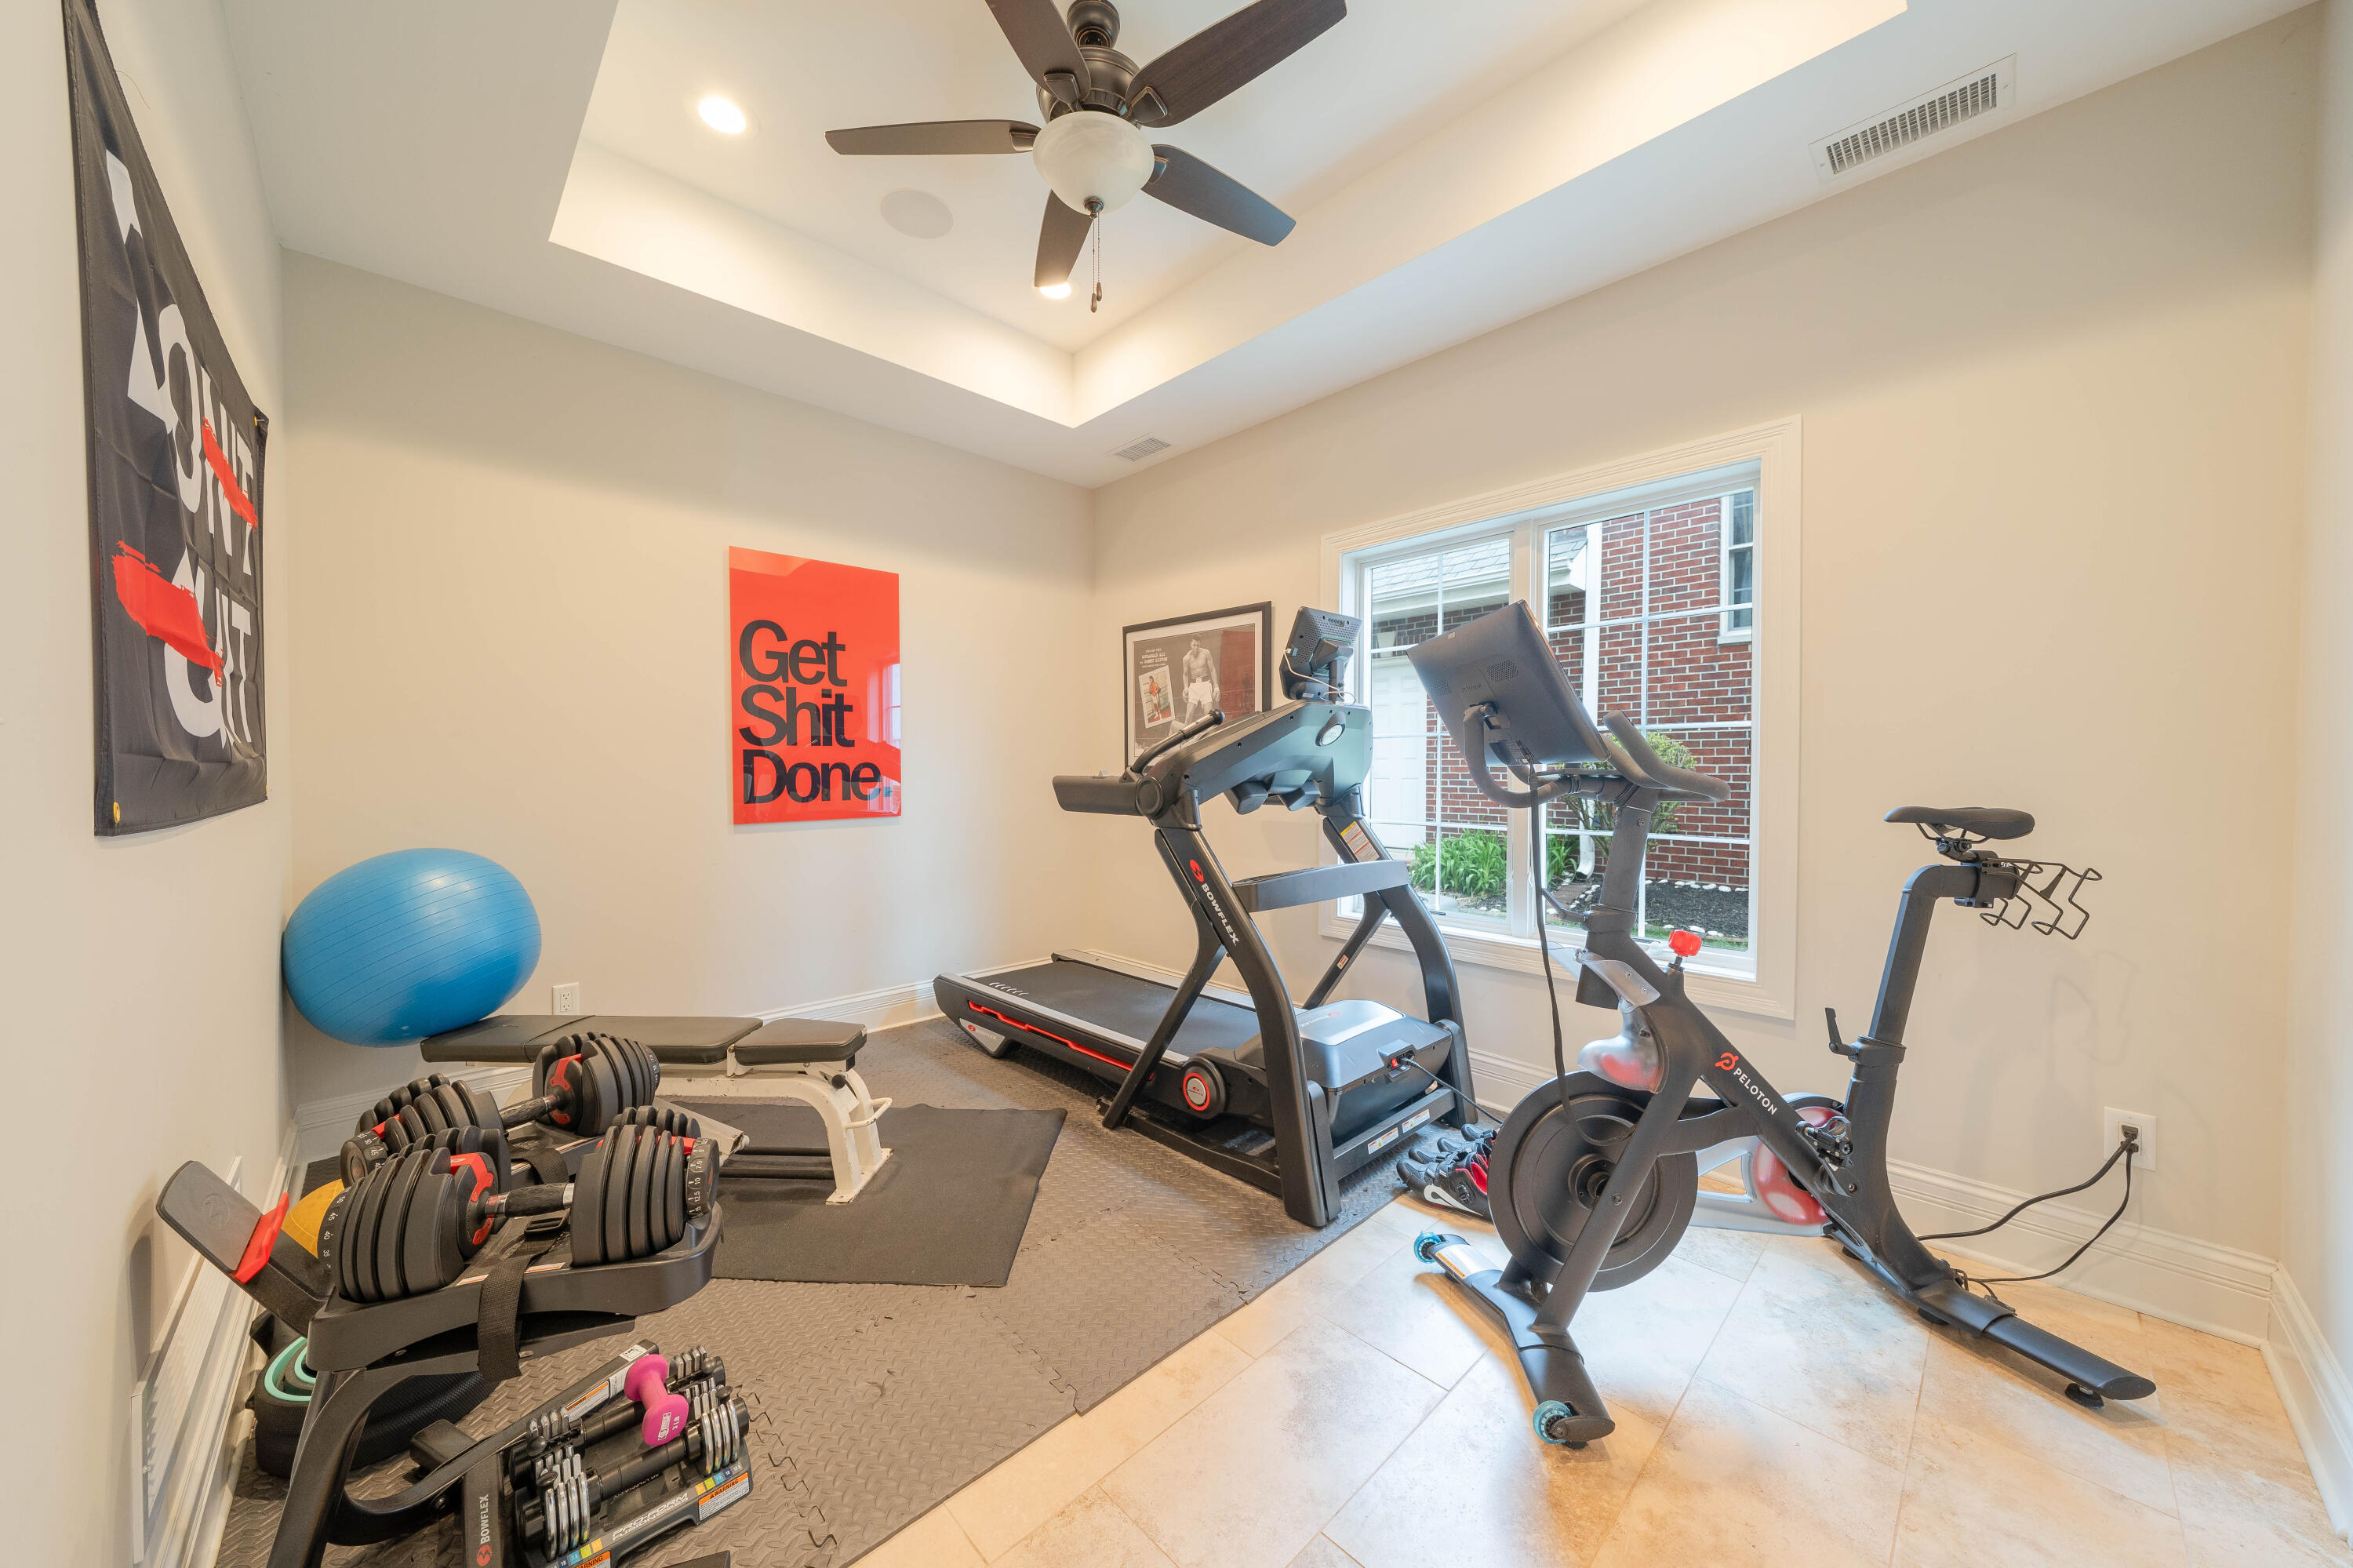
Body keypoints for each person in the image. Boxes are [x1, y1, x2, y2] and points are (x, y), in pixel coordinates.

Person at [1180, 637, 1220, 724]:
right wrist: (1186, 687)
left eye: (1198, 645)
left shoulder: (1206, 653)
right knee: (1188, 717)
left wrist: (1216, 687)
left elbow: (1212, 670)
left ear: (1200, 644)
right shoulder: (1186, 659)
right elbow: (1185, 674)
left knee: (1209, 717)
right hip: (1193, 686)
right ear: (1190, 644)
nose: (1196, 648)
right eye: (1194, 645)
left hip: (1205, 684)